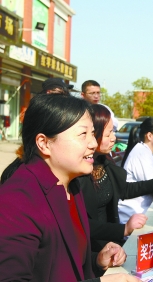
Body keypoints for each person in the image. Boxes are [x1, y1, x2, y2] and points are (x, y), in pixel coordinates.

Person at [0, 94, 139, 282]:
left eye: (93, 133)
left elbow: (63, 266)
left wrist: (96, 261)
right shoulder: (17, 200)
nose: (92, 143)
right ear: (44, 143)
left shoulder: (70, 185)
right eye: (83, 134)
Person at [79, 105, 153, 252]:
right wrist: (123, 229)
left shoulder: (104, 165)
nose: (114, 138)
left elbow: (124, 188)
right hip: (91, 249)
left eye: (114, 132)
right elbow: (81, 223)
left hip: (106, 244)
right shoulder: (79, 172)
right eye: (109, 133)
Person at [119, 117, 153, 223]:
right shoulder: (141, 153)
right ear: (150, 136)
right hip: (134, 216)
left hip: (142, 212)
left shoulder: (146, 152)